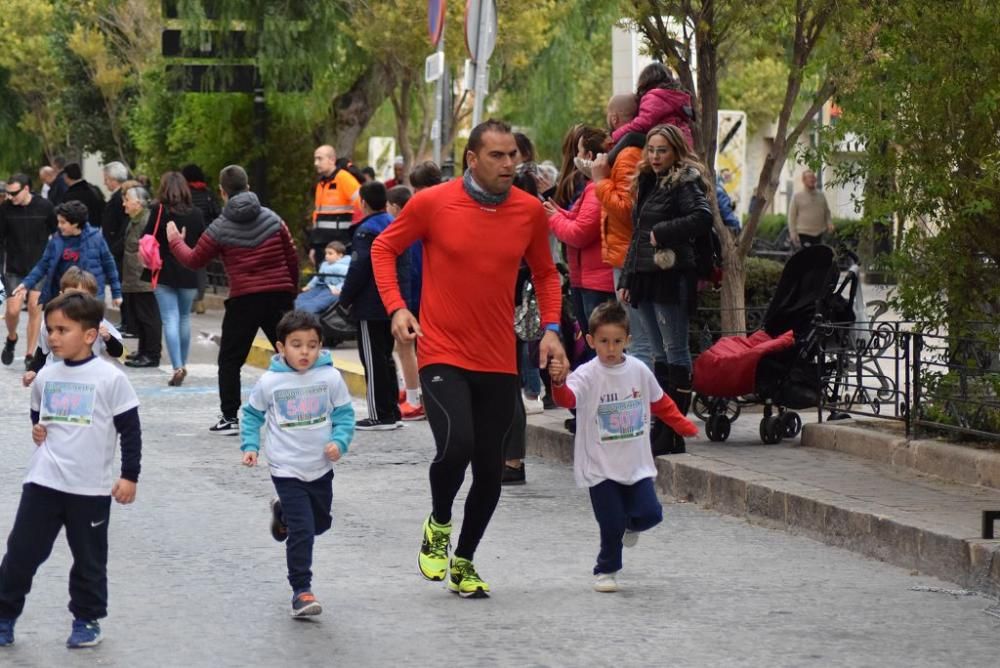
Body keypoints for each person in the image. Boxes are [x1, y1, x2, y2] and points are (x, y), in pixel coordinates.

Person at [371, 119, 568, 598]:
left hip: (498, 357)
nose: (509, 164)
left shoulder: (527, 212)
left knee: (489, 466)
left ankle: (464, 560)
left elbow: (545, 274)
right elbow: (383, 247)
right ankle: (439, 522)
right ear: (472, 159)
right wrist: (397, 307)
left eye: (513, 156)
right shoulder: (433, 203)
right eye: (497, 156)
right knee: (455, 445)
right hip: (442, 351)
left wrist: (552, 330)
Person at [0, 292, 142, 649]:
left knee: (89, 559)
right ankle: (4, 615)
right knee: (21, 553)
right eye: (50, 330)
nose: (54, 337)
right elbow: (39, 416)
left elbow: (130, 430)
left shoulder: (110, 379)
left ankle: (87, 618)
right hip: (43, 482)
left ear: (91, 335)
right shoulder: (46, 376)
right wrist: (38, 430)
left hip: (89, 489)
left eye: (63, 329)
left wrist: (129, 476)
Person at [548, 301, 697, 593]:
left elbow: (660, 401)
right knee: (610, 523)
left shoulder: (639, 370)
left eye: (617, 341)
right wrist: (558, 382)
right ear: (591, 341)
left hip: (636, 464)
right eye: (604, 342)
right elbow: (568, 400)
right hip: (600, 466)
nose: (611, 348)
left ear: (628, 340)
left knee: (651, 514)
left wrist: (682, 424)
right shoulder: (587, 374)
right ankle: (607, 569)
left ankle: (631, 525)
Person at [167, 164, 299, 434]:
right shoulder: (274, 220)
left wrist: (174, 241)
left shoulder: (219, 228)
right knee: (292, 353)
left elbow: (194, 260)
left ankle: (230, 417)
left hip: (244, 299)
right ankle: (298, 411)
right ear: (248, 187)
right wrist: (291, 291)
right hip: (278, 294)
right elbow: (292, 257)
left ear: (222, 192)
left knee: (230, 359)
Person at [240, 310, 354, 618]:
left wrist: (339, 441)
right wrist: (250, 445)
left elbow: (345, 415)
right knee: (304, 530)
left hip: (320, 466)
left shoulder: (330, 377)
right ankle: (301, 591)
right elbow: (252, 415)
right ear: (281, 347)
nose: (305, 351)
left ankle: (283, 514)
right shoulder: (270, 382)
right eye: (296, 344)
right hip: (286, 467)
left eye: (312, 344)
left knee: (320, 523)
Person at [619, 124, 713, 456]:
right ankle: (662, 424)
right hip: (645, 273)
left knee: (675, 350)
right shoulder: (647, 180)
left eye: (662, 150)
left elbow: (703, 217)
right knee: (657, 354)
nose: (655, 156)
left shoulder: (683, 181)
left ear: (675, 151)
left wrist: (664, 231)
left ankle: (674, 428)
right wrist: (627, 279)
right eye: (652, 150)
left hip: (672, 273)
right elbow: (637, 234)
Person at [339, 181, 409, 430]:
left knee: (372, 358)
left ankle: (378, 413)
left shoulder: (365, 230)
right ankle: (392, 410)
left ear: (364, 203)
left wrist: (344, 299)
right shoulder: (393, 224)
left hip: (369, 303)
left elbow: (359, 268)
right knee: (385, 356)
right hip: (391, 301)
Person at [591, 94, 654, 370]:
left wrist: (601, 181)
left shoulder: (628, 154)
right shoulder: (622, 151)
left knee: (640, 339)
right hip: (625, 254)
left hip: (629, 256)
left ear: (614, 118)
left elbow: (626, 208)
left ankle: (645, 406)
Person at [544, 125, 616, 355]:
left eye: (579, 151)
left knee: (599, 347)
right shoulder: (590, 188)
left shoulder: (596, 188)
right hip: (585, 279)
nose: (576, 157)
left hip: (596, 281)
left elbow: (580, 233)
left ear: (589, 156)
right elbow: (575, 217)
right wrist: (555, 210)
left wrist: (554, 217)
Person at [135, 172, 204, 379]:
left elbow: (146, 237)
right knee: (184, 318)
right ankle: (183, 362)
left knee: (170, 319)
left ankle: (177, 366)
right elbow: (203, 241)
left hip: (163, 270)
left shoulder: (158, 211)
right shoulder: (196, 214)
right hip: (190, 271)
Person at [22, 268, 125, 387]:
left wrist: (108, 338)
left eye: (82, 296)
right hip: (56, 382)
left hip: (87, 383)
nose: (75, 302)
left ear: (91, 299)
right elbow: (42, 352)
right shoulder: (50, 322)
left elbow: (119, 352)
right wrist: (33, 370)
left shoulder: (98, 323)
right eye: (71, 295)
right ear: (61, 294)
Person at [13, 200, 121, 311]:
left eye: (63, 222)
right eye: (58, 222)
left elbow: (109, 266)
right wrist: (26, 284)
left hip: (90, 296)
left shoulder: (96, 238)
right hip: (63, 295)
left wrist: (116, 293)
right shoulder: (56, 240)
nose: (59, 226)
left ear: (75, 223)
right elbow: (43, 265)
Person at [1, 174, 57, 370]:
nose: (10, 197)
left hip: (40, 267)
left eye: (14, 193)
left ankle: (29, 354)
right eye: (7, 193)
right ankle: (11, 337)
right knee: (13, 310)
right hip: (15, 269)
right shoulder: (5, 210)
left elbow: (56, 233)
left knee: (35, 308)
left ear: (26, 189)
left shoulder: (45, 207)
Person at [119, 183, 163, 371]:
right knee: (140, 315)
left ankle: (151, 354)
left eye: (127, 200)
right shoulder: (136, 219)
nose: (124, 204)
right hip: (134, 276)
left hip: (143, 276)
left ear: (138, 202)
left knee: (148, 316)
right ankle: (143, 350)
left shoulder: (145, 220)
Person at [609, 62, 694, 150]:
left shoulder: (654, 97)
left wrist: (615, 136)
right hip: (683, 142)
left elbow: (642, 124)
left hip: (666, 141)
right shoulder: (675, 96)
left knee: (630, 137)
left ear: (645, 81)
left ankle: (607, 159)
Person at [311, 145, 361, 266]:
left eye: (319, 159)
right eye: (315, 159)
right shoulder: (321, 183)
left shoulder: (344, 179)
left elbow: (363, 205)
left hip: (340, 246)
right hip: (321, 245)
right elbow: (317, 216)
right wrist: (313, 246)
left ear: (332, 160)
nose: (316, 163)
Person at [181, 164, 221, 315]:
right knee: (201, 268)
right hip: (206, 235)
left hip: (187, 235)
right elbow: (217, 213)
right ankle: (200, 301)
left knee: (186, 266)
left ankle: (189, 302)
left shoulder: (184, 194)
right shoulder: (208, 193)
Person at [100, 161, 132, 331]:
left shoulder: (121, 198)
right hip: (116, 248)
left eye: (106, 179)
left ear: (113, 179)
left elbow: (123, 228)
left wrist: (113, 249)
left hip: (119, 250)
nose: (105, 183)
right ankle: (126, 321)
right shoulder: (117, 197)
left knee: (122, 286)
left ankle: (128, 322)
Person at [294, 241, 349, 314]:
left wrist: (339, 288)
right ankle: (296, 311)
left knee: (316, 304)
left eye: (330, 253)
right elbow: (317, 277)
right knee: (299, 299)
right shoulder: (324, 264)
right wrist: (309, 286)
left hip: (332, 290)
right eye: (326, 253)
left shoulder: (345, 267)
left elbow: (347, 280)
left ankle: (306, 314)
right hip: (320, 287)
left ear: (340, 255)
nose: (326, 256)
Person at [788, 169, 832, 249]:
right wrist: (793, 233)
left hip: (820, 233)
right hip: (803, 233)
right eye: (809, 177)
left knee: (818, 258)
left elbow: (827, 212)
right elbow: (792, 217)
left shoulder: (821, 195)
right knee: (807, 258)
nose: (812, 179)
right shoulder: (797, 196)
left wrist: (829, 223)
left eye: (813, 177)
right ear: (804, 180)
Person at [61, 163, 105, 230]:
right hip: (96, 231)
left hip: (79, 234)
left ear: (66, 176)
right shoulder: (95, 190)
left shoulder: (69, 196)